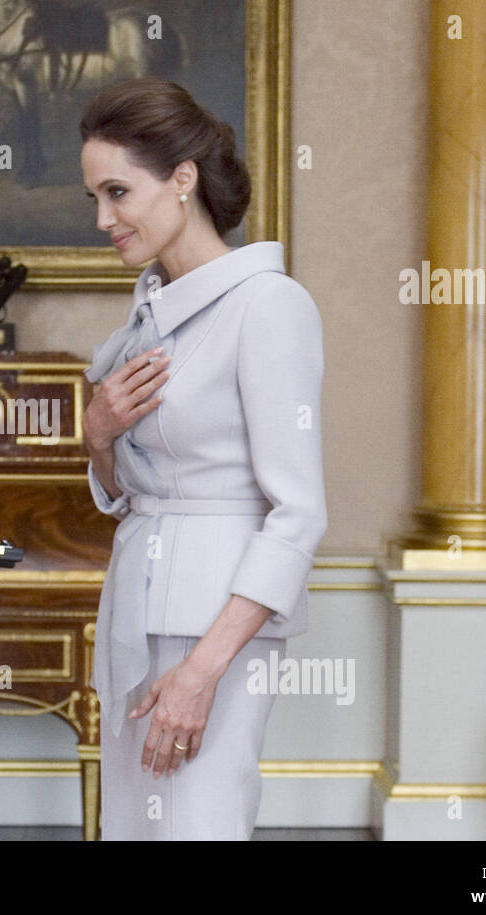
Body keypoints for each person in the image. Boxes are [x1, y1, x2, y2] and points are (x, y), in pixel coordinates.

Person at [79, 77, 327, 840]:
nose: (102, 218)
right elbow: (128, 494)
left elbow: (299, 514)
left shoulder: (268, 306)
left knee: (199, 828)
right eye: (94, 196)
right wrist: (98, 433)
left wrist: (202, 671)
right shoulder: (153, 313)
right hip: (134, 614)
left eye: (118, 191)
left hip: (218, 627)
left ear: (183, 178)